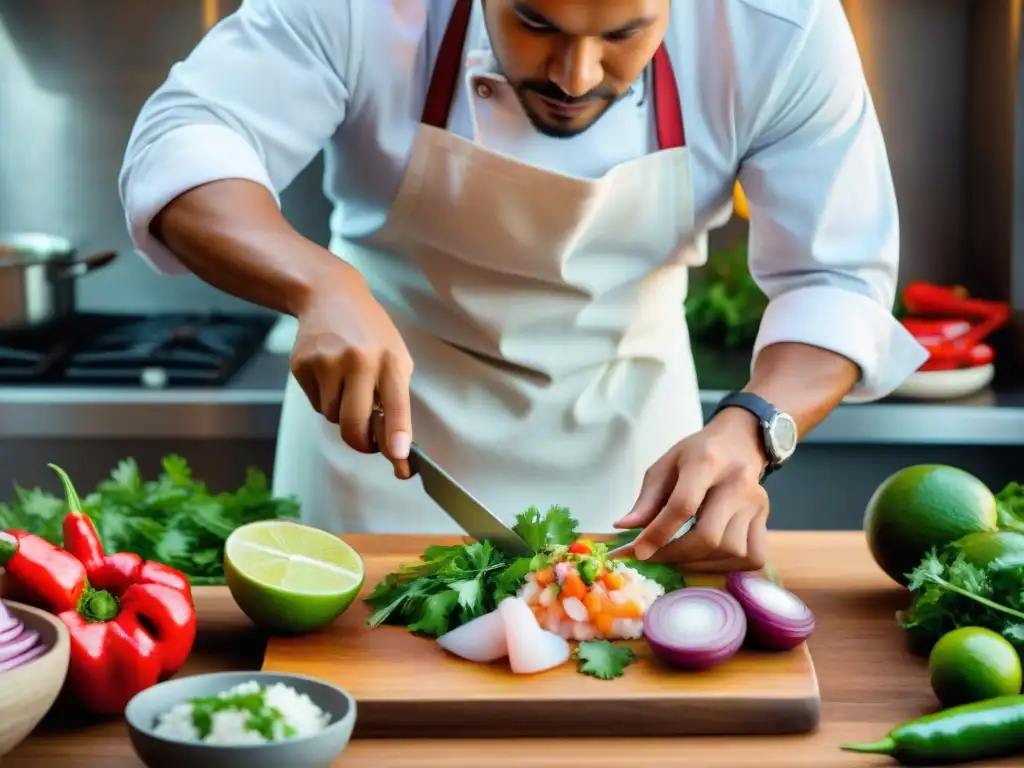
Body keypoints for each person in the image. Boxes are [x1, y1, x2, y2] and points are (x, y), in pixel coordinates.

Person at [118, 0, 928, 569]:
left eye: (624, 33)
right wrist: (317, 285)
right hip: (375, 455)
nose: (576, 76)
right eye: (535, 23)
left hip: (636, 475)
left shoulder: (775, 25)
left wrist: (752, 429)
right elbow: (186, 140)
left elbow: (837, 275)